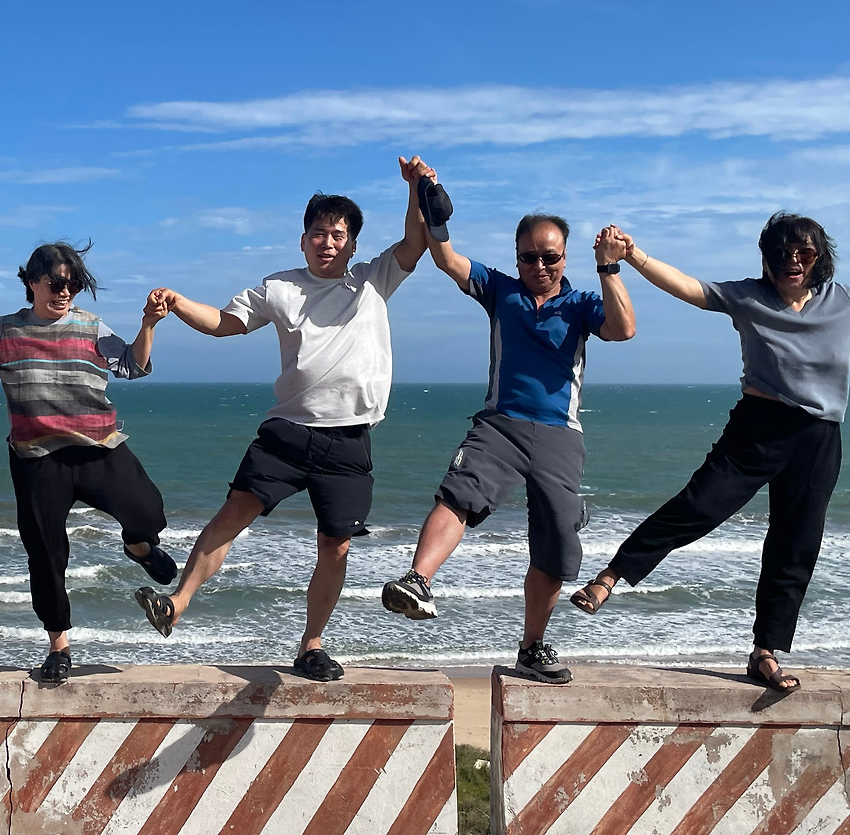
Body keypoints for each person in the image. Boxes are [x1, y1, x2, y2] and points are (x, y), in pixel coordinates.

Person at [134, 156, 437, 681]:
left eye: (338, 235)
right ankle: (177, 603)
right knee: (233, 513)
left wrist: (415, 189)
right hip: (288, 432)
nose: (327, 242)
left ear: (353, 244)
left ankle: (311, 644)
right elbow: (225, 323)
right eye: (318, 233)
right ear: (302, 240)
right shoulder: (280, 288)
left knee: (336, 545)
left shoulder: (373, 280)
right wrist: (179, 303)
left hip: (349, 440)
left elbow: (416, 241)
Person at [571, 214, 848, 693]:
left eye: (804, 252)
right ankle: (612, 575)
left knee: (796, 545)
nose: (793, 261)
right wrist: (630, 256)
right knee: (698, 506)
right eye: (781, 253)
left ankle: (765, 652)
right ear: (766, 258)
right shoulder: (748, 297)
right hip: (759, 429)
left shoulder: (839, 300)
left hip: (819, 437)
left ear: (819, 256)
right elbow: (687, 287)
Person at [380, 164, 636, 684]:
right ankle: (417, 580)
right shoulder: (501, 290)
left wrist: (609, 268)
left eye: (550, 257)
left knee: (555, 544)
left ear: (565, 257)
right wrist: (427, 198)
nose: (539, 266)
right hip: (500, 425)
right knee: (459, 493)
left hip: (560, 436)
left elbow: (624, 328)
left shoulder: (582, 303)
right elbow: (446, 258)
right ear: (516, 256)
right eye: (529, 257)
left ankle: (532, 647)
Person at [0, 242, 177, 683]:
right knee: (46, 555)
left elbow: (132, 365)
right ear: (32, 282)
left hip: (97, 448)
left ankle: (139, 548)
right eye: (56, 283)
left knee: (148, 512)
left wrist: (148, 324)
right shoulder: (7, 329)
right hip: (36, 459)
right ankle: (59, 645)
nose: (65, 292)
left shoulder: (90, 326)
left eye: (73, 285)